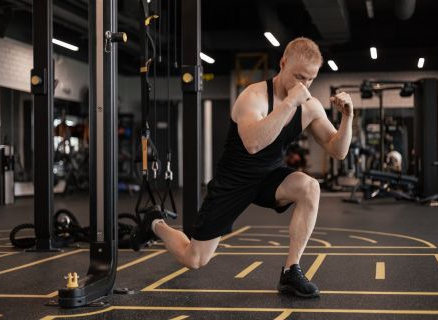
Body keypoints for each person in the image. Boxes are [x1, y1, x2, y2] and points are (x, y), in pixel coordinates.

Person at [131, 37, 353, 298]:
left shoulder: (311, 106)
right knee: (195, 259)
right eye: (299, 76)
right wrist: (289, 102)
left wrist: (348, 117)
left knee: (310, 187)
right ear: (282, 63)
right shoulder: (253, 96)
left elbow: (338, 150)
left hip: (270, 176)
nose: (304, 85)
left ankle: (291, 271)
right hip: (234, 180)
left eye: (310, 79)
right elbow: (254, 144)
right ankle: (155, 223)